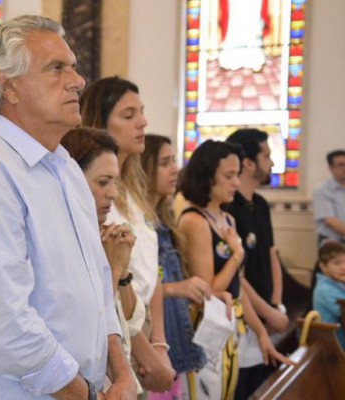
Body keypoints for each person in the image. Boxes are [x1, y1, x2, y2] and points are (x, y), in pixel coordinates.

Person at [0, 15, 136, 400]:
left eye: (73, 68)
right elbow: (3, 325)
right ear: (9, 86)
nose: (77, 81)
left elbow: (95, 291)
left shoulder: (67, 169)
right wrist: (85, 394)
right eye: (57, 68)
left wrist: (121, 371)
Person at [80, 77, 175, 395]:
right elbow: (113, 279)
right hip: (119, 328)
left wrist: (159, 341)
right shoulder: (91, 194)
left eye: (142, 112)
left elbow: (154, 268)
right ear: (100, 123)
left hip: (144, 323)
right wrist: (148, 352)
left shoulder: (133, 187)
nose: (143, 121)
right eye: (128, 114)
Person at [177, 140, 290, 400]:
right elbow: (210, 290)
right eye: (228, 176)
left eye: (237, 175)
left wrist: (261, 333)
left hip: (231, 323)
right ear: (207, 177)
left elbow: (237, 288)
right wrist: (237, 254)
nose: (236, 183)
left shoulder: (227, 219)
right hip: (203, 327)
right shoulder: (194, 220)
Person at [61, 127, 144, 396]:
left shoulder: (106, 236)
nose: (113, 194)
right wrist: (115, 267)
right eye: (102, 182)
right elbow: (87, 322)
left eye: (115, 182)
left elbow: (131, 324)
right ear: (72, 180)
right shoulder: (60, 240)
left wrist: (121, 273)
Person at [141, 135, 211, 399]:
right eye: (164, 163)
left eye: (174, 160)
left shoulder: (164, 218)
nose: (175, 169)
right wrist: (176, 288)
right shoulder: (136, 220)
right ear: (143, 168)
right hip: (151, 340)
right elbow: (136, 285)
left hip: (173, 338)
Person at [223, 129, 289, 399]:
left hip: (266, 312)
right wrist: (266, 312)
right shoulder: (229, 207)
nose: (271, 163)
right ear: (248, 162)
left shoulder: (260, 203)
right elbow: (234, 274)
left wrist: (275, 304)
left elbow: (272, 254)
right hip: (243, 315)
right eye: (266, 156)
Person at [312, 241, 345, 351]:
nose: (343, 267)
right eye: (337, 263)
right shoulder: (324, 290)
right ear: (323, 266)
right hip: (336, 346)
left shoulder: (337, 283)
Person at [313, 149, 345, 245]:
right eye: (341, 165)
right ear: (331, 168)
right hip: (332, 243)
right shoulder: (322, 190)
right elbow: (330, 221)